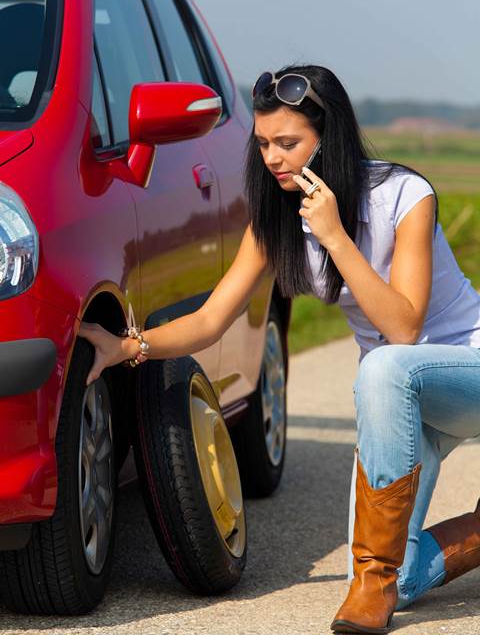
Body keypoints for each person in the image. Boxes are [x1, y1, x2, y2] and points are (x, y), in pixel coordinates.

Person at [79, 65, 480, 634]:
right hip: (399, 400)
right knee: (404, 578)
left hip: (467, 368)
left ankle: (373, 578)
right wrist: (128, 347)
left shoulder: (405, 195)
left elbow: (404, 329)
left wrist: (335, 235)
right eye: (264, 143)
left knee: (386, 364)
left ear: (328, 138)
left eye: (288, 143)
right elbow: (212, 320)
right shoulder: (276, 221)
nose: (273, 158)